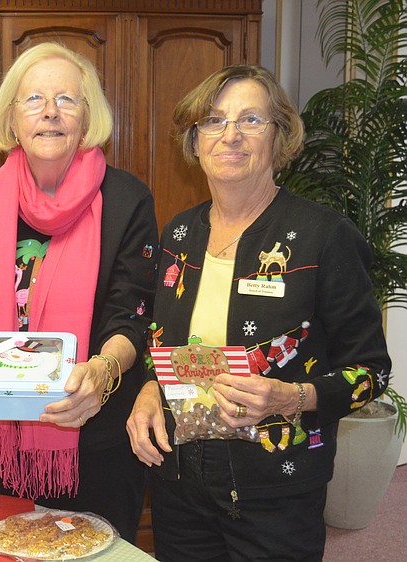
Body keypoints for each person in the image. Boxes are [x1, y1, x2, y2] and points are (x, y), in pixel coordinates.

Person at [126, 65, 392, 561]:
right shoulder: (178, 236)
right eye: (213, 121)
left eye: (251, 119)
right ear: (195, 139)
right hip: (179, 481)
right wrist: (147, 387)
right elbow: (157, 340)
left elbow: (371, 371)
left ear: (280, 136)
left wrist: (291, 397)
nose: (230, 135)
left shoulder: (324, 236)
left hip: (277, 489)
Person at [0, 42, 159, 541]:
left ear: (88, 119)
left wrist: (102, 370)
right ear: (12, 119)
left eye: (67, 99)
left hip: (94, 436)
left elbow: (135, 313)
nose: (51, 112)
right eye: (34, 99)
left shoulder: (126, 199)